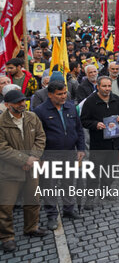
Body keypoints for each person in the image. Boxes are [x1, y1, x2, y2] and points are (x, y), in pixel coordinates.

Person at [0, 90, 48, 252]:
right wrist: (24, 160)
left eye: (23, 101)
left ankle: (31, 227)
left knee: (33, 200)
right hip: (10, 171)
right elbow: (2, 149)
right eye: (17, 102)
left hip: (32, 168)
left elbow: (40, 138)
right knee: (6, 205)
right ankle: (7, 237)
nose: (22, 104)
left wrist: (33, 157)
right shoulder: (1, 122)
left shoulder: (32, 117)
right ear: (7, 105)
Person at [33, 81, 85, 230]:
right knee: (49, 186)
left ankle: (68, 210)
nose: (64, 96)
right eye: (60, 94)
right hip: (50, 155)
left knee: (68, 182)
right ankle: (51, 216)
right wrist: (40, 157)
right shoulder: (40, 111)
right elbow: (37, 137)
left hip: (69, 153)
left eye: (65, 93)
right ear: (50, 95)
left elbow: (79, 130)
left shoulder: (71, 107)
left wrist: (80, 148)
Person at [80, 76, 119, 210]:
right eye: (104, 86)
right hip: (98, 144)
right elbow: (84, 120)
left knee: (110, 171)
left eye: (109, 86)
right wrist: (95, 124)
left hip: (114, 142)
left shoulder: (117, 99)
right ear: (98, 87)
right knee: (94, 172)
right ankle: (90, 198)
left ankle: (105, 191)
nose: (107, 89)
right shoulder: (90, 102)